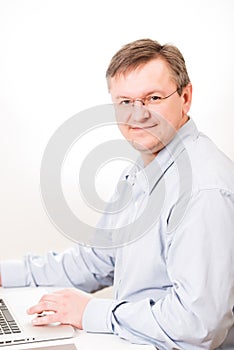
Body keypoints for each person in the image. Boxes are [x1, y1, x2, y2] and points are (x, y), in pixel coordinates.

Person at [1, 38, 234, 349]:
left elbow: (198, 324)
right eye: (125, 102)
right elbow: (98, 259)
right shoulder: (144, 170)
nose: (137, 115)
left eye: (152, 97)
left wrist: (89, 313)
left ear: (186, 97)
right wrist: (5, 275)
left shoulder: (203, 190)